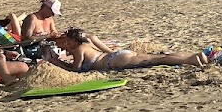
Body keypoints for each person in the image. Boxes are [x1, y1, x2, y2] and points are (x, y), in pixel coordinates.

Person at [49, 28, 206, 72]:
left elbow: (75, 70)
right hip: (117, 56)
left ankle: (190, 60)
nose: (67, 43)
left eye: (68, 40)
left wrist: (57, 62)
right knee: (158, 57)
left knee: (157, 59)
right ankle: (195, 56)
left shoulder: (78, 50)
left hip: (115, 61)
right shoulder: (87, 43)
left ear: (75, 40)